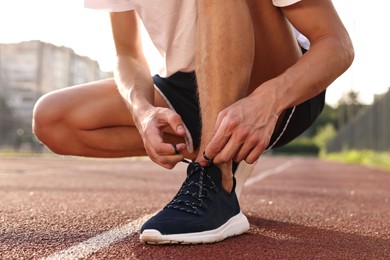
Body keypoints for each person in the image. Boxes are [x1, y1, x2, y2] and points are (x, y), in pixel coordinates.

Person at [32, 0, 354, 244]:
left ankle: (214, 174)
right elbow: (128, 54)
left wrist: (266, 102)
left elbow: (336, 44)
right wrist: (142, 112)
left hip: (281, 85)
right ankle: (221, 145)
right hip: (189, 80)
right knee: (53, 119)